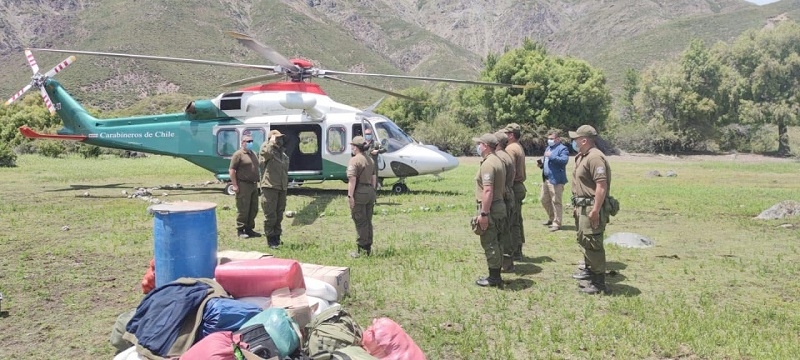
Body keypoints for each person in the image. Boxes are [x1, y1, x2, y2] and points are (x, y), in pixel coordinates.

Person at [569, 125, 612, 295]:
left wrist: (595, 210)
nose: (574, 142)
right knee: (585, 241)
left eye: (576, 139)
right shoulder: (584, 156)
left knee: (593, 243)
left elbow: (601, 186)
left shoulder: (595, 158)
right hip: (582, 206)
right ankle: (591, 275)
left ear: (584, 140)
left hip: (591, 206)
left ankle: (599, 283)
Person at [473, 133, 507, 287]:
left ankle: (494, 277)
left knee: (490, 241)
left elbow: (488, 191)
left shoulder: (488, 163)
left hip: (491, 207)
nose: (478, 146)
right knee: (497, 241)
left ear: (485, 146)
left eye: (479, 144)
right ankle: (496, 274)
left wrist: (484, 213)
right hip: (499, 205)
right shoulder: (498, 160)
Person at [347, 136, 377, 258]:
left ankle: (362, 248)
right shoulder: (370, 159)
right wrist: (372, 191)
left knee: (360, 220)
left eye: (352, 146)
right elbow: (373, 178)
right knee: (368, 220)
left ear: (355, 147)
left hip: (360, 192)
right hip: (370, 191)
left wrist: (350, 196)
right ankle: (368, 246)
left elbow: (352, 179)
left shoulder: (354, 160)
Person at [259, 129, 289, 249]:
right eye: (277, 138)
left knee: (279, 214)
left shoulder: (282, 154)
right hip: (270, 187)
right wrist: (271, 142)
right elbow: (265, 153)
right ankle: (270, 239)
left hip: (281, 187)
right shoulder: (267, 150)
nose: (280, 140)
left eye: (281, 138)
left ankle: (277, 236)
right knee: (270, 214)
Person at [229, 134, 261, 238]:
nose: (250, 143)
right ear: (242, 142)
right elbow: (232, 170)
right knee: (243, 208)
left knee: (253, 208)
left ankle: (249, 228)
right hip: (243, 185)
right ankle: (240, 229)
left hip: (254, 185)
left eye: (251, 141)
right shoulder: (238, 154)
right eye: (248, 141)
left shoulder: (253, 153)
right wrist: (234, 185)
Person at [503, 123, 527, 260]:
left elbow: (509, 170)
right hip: (519, 186)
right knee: (517, 219)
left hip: (514, 186)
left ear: (511, 135)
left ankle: (515, 250)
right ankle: (517, 248)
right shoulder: (518, 146)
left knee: (513, 221)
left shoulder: (511, 148)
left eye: (506, 134)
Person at [493, 131, 516, 272]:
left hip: (503, 197)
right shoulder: (505, 155)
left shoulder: (500, 157)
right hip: (508, 194)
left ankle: (506, 261)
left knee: (503, 230)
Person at [540, 130, 570, 232]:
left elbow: (563, 161)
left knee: (556, 201)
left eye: (552, 139)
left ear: (558, 139)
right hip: (546, 178)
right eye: (549, 139)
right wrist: (541, 165)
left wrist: (551, 156)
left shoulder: (563, 149)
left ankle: (557, 223)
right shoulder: (548, 148)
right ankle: (552, 218)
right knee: (544, 199)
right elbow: (547, 162)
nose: (549, 140)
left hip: (556, 180)